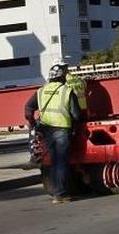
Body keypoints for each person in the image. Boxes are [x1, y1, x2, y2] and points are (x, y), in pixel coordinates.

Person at [24, 62, 83, 204]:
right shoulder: (67, 91)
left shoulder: (41, 91)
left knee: (53, 161)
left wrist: (32, 122)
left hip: (47, 129)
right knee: (61, 162)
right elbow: (76, 115)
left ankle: (57, 192)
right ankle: (60, 194)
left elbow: (28, 108)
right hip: (62, 129)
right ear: (63, 76)